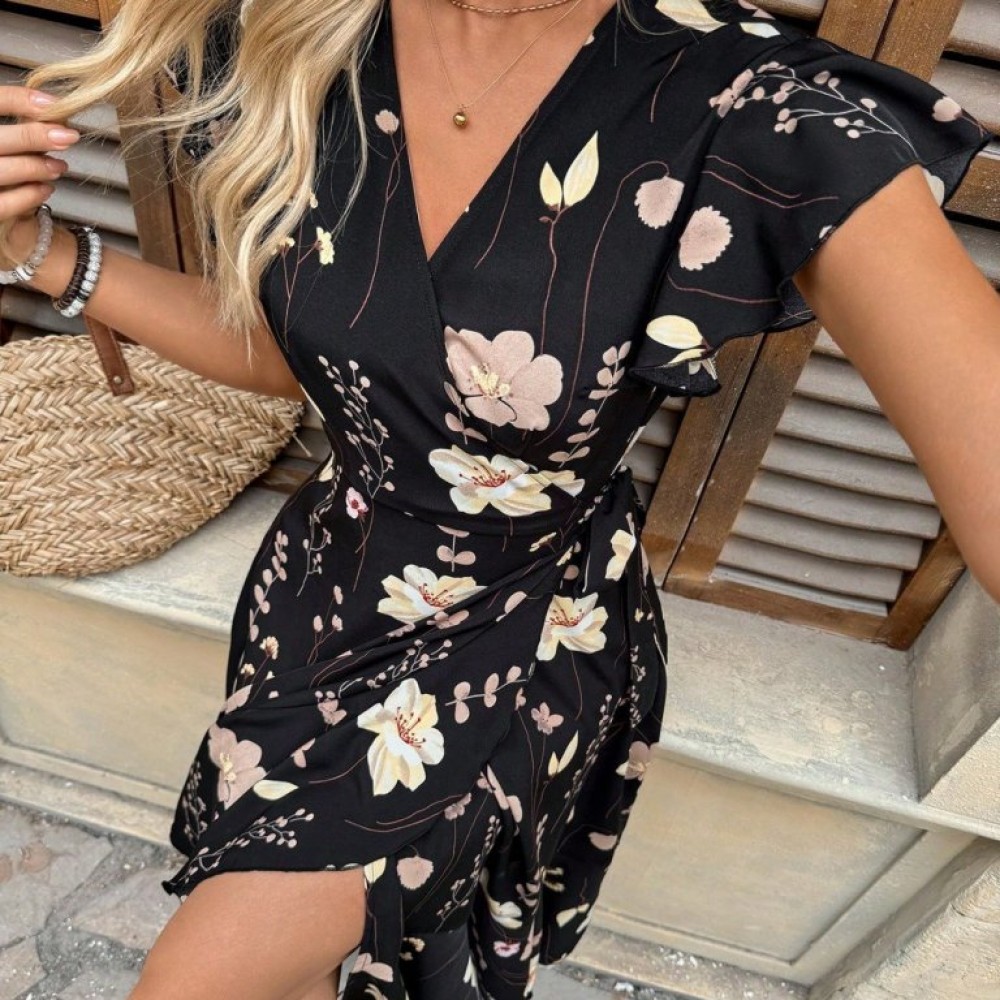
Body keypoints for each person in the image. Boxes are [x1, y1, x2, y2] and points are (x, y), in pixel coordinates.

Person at [2, 0, 998, 997]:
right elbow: (302, 354)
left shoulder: (760, 112)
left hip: (509, 639)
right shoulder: (294, 28)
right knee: (324, 951)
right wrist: (41, 252)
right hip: (321, 592)